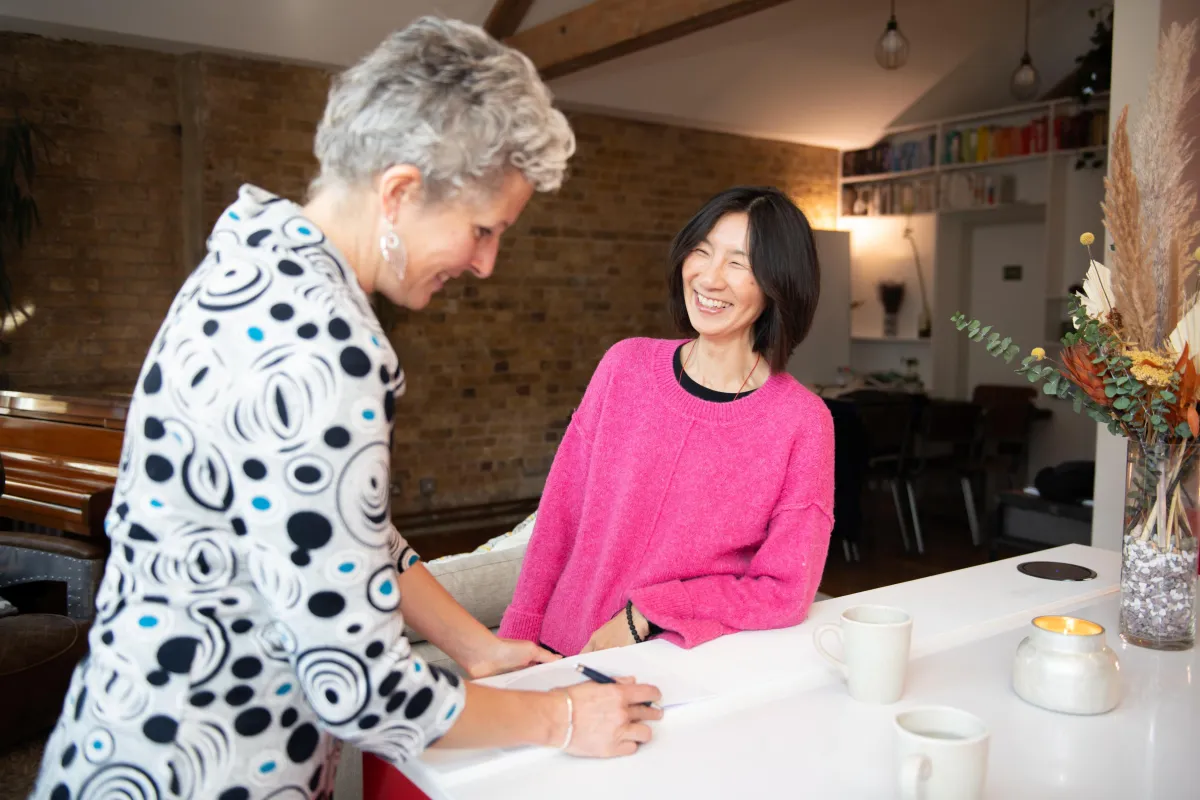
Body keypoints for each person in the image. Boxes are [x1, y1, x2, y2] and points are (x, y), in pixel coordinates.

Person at [31, 17, 661, 800]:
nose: (485, 264)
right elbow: (360, 686)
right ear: (398, 192)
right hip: (209, 763)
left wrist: (477, 646)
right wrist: (563, 718)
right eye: (481, 230)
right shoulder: (326, 351)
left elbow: (336, 527)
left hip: (124, 729)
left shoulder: (253, 254)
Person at [499, 187, 835, 656]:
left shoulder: (802, 421)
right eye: (702, 251)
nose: (709, 278)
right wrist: (517, 634)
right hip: (560, 650)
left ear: (778, 283)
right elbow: (560, 515)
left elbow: (786, 590)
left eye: (738, 263)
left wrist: (647, 613)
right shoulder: (624, 366)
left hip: (672, 664)